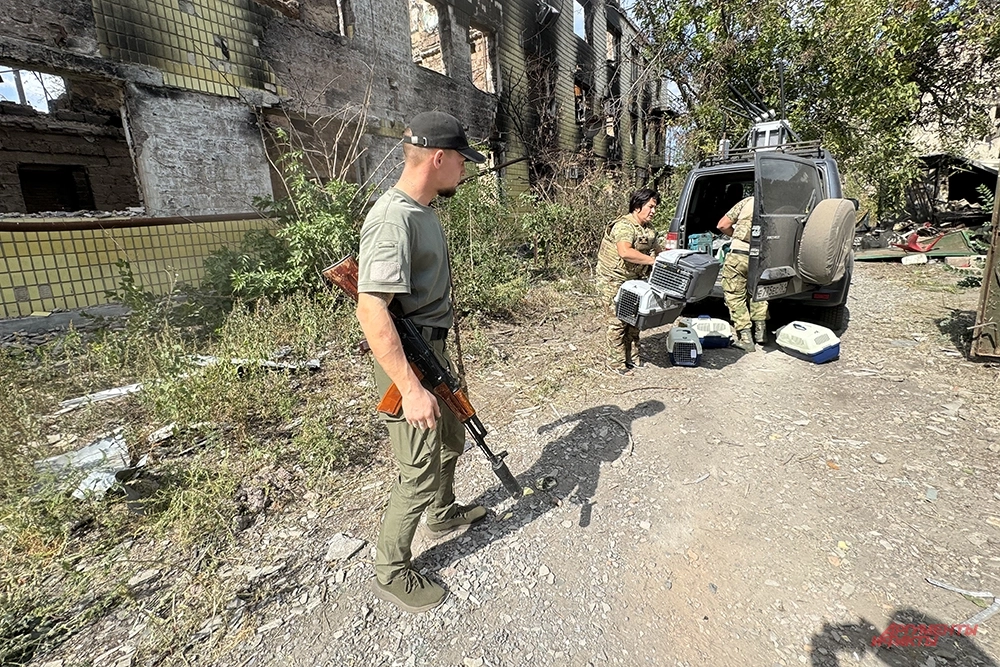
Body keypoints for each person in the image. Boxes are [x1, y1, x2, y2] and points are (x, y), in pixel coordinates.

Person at [355, 111, 487, 614]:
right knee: (418, 471)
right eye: (462, 161)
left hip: (433, 349)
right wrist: (410, 388)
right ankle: (390, 569)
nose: (466, 170)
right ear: (439, 158)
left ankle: (443, 512)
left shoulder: (423, 209)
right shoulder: (392, 218)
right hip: (408, 362)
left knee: (454, 434)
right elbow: (371, 309)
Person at [595, 188, 661, 373]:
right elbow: (625, 252)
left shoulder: (648, 230)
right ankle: (616, 362)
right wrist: (652, 261)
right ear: (637, 206)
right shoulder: (624, 226)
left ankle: (632, 357)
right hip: (612, 280)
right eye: (650, 207)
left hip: (634, 282)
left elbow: (658, 250)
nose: (653, 211)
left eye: (655, 207)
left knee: (634, 319)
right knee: (617, 322)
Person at [717, 195, 767, 351]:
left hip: (739, 254)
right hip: (762, 257)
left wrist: (738, 235)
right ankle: (761, 332)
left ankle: (746, 338)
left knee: (734, 294)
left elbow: (722, 225)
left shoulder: (748, 201)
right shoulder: (777, 203)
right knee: (758, 292)